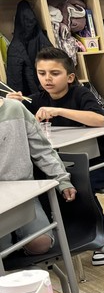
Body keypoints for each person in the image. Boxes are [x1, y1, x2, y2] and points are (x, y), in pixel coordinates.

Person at [8, 47, 104, 264]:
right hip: (61, 161)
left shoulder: (80, 94)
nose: (47, 78)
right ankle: (53, 234)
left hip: (97, 162)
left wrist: (59, 111)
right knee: (45, 183)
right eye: (42, 73)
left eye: (54, 73)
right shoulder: (36, 99)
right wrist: (14, 106)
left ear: (70, 76)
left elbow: (100, 120)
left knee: (79, 183)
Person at [0, 96, 76, 256]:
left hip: (23, 193)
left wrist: (62, 179)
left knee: (41, 243)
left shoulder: (15, 109)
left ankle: (18, 249)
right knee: (3, 250)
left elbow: (42, 149)